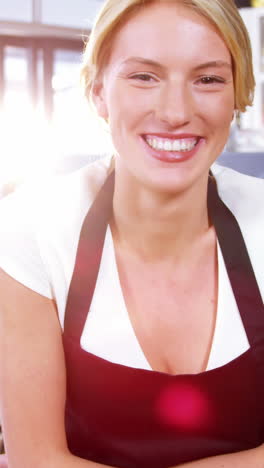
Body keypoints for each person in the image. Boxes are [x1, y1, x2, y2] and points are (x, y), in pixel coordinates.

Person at [0, 0, 263, 466]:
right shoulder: (30, 230)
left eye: (208, 79)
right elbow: (36, 460)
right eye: (144, 76)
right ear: (99, 91)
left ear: (239, 94)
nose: (176, 112)